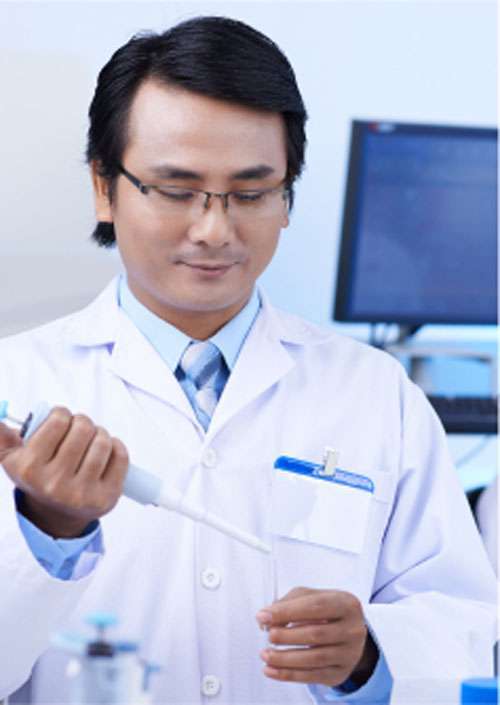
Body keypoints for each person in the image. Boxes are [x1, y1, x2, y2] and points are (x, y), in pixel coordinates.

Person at [0, 16, 496, 705]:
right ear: (104, 188)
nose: (214, 230)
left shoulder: (378, 393)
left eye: (252, 193)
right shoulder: (18, 383)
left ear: (286, 197)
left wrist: (371, 654)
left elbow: (467, 629)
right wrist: (49, 530)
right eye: (177, 190)